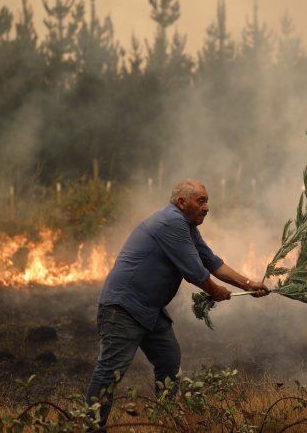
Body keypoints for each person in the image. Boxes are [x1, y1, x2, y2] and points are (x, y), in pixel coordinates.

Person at [85, 179, 270, 428]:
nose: (207, 207)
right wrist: (217, 292)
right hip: (123, 308)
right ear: (182, 202)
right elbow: (197, 272)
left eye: (207, 201)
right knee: (110, 372)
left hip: (149, 310)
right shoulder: (171, 222)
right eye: (201, 201)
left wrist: (249, 284)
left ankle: (166, 422)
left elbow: (213, 263)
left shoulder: (187, 227)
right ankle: (90, 426)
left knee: (169, 361)